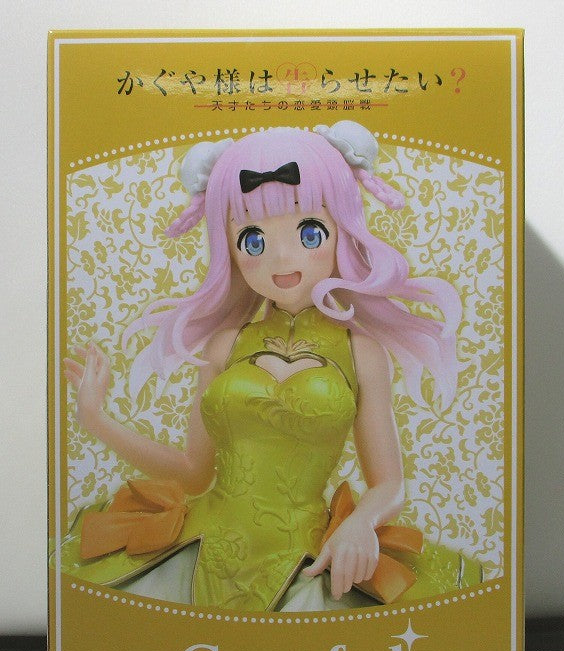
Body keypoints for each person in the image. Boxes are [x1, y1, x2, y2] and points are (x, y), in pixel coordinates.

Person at [61, 121, 481, 611]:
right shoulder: (225, 344)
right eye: (253, 240)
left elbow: (389, 483)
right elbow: (193, 474)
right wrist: (96, 419)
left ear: (341, 229)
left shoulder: (361, 350)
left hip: (305, 558)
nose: (282, 258)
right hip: (204, 548)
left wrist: (360, 523)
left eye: (309, 232)